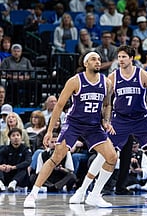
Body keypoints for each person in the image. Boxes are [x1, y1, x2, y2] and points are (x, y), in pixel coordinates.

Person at [70, 45, 147, 204]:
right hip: (120, 120)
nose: (120, 60)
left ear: (132, 58)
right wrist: (104, 120)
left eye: (124, 57)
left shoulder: (142, 75)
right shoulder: (112, 77)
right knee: (103, 156)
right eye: (119, 57)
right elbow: (103, 100)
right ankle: (83, 190)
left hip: (141, 119)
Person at [24, 51, 118, 208]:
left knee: (112, 157)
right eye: (94, 59)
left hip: (93, 126)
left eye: (99, 59)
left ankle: (94, 194)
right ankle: (33, 194)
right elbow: (59, 105)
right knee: (56, 157)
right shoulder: (75, 81)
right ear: (85, 63)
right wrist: (49, 131)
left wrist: (106, 120)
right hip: (74, 124)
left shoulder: (107, 83)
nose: (98, 62)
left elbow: (107, 104)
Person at [0, 127, 32, 192]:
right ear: (9, 138)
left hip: (19, 176)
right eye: (13, 135)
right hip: (6, 173)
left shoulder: (25, 149)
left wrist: (13, 167)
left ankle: (13, 183)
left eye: (18, 135)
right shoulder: (4, 149)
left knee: (24, 169)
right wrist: (1, 167)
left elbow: (28, 161)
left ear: (21, 137)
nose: (16, 137)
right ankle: (0, 184)